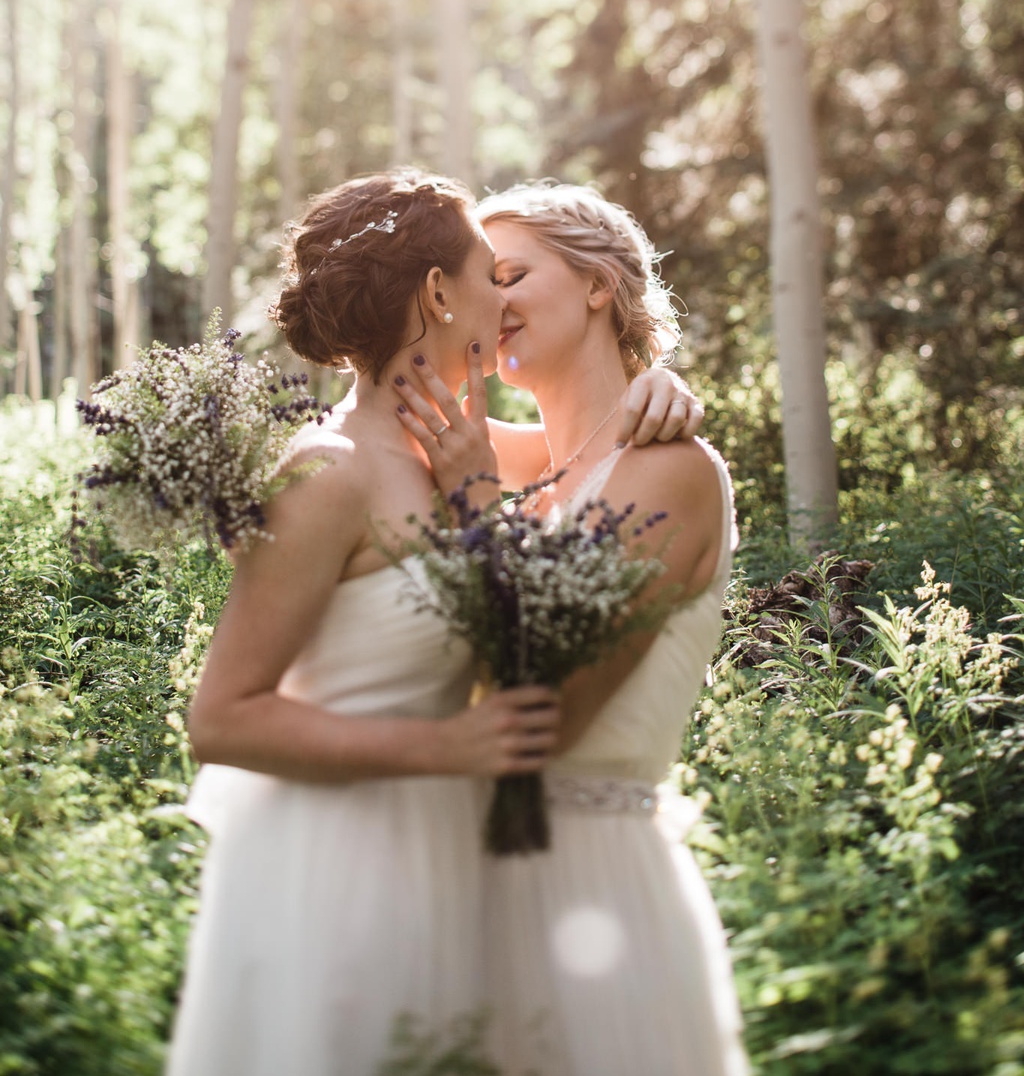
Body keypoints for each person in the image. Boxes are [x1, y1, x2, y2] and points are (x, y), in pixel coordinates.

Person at [166, 169, 700, 1076]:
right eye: (492, 272)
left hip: (443, 862)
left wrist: (669, 391)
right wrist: (446, 751)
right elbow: (219, 718)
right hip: (334, 861)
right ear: (439, 292)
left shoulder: (454, 457)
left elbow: (593, 452)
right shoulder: (329, 472)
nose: (503, 296)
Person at [398, 181, 748, 1076]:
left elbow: (548, 707)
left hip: (589, 886)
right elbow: (384, 403)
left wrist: (475, 503)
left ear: (599, 285)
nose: (491, 301)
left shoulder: (668, 472)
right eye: (478, 281)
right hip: (471, 883)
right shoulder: (524, 458)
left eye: (511, 274)